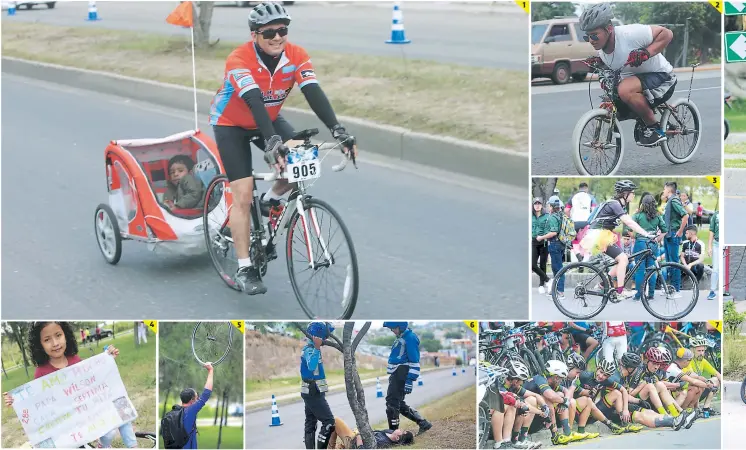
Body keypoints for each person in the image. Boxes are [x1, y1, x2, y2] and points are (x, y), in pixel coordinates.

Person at [208, 2, 358, 295]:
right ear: (255, 35)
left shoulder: (296, 55)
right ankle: (244, 267)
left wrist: (338, 129)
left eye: (283, 30)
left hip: (271, 119)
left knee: (302, 159)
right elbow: (253, 99)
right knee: (242, 193)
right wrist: (272, 140)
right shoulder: (239, 59)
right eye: (269, 33)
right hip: (231, 124)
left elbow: (313, 91)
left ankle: (269, 200)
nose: (278, 37)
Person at [3, 322, 136, 448]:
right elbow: (37, 402)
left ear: (66, 335)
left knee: (120, 408)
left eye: (58, 335)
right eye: (47, 339)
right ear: (40, 344)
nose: (55, 343)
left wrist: (107, 358)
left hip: (91, 412)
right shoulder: (41, 372)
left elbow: (94, 377)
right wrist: (17, 400)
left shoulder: (75, 360)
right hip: (71, 425)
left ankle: (129, 446)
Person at [578, 3, 676, 147]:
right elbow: (617, 65)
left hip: (662, 77)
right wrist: (599, 63)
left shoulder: (630, 34)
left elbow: (667, 34)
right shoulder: (602, 51)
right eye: (587, 37)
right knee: (612, 96)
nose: (591, 41)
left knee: (624, 89)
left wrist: (646, 53)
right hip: (638, 81)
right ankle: (643, 118)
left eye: (594, 36)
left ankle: (654, 129)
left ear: (609, 28)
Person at [581, 180, 658, 300]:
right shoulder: (614, 204)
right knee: (623, 259)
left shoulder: (620, 205)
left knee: (621, 260)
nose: (633, 194)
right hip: (599, 234)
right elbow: (628, 222)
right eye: (632, 192)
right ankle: (620, 292)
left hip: (602, 234)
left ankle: (602, 284)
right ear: (625, 193)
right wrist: (646, 234)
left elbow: (627, 223)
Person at [382, 323, 432, 435]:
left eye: (393, 328)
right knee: (397, 402)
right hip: (397, 372)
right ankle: (423, 423)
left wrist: (410, 380)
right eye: (391, 329)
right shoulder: (402, 337)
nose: (392, 331)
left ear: (401, 327)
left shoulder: (410, 338)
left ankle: (394, 433)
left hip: (402, 371)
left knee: (392, 403)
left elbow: (415, 360)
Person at [301, 322, 336, 449]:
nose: (326, 340)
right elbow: (311, 366)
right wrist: (316, 347)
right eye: (324, 337)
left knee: (310, 423)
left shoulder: (312, 348)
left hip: (312, 391)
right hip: (312, 391)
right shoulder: (309, 350)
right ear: (318, 336)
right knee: (329, 423)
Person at [167, 362, 214, 449]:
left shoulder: (174, 413)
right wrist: (210, 370)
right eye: (196, 397)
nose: (198, 399)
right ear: (192, 400)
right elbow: (206, 394)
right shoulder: (190, 411)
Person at [630, 193, 667, 301]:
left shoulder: (637, 215)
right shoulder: (658, 216)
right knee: (652, 269)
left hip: (640, 244)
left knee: (640, 270)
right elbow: (664, 230)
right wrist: (657, 239)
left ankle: (638, 295)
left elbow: (628, 229)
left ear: (643, 204)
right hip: (653, 244)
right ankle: (651, 295)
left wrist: (635, 236)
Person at [663, 348, 711, 422]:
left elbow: (696, 377)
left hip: (672, 392)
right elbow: (693, 381)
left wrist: (707, 381)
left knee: (698, 387)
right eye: (690, 360)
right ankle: (675, 413)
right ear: (685, 361)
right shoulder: (674, 369)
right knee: (689, 390)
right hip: (666, 395)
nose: (690, 363)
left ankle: (689, 410)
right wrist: (709, 386)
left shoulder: (680, 367)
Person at [662, 181, 690, 295]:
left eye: (664, 189)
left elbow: (685, 215)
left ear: (669, 190)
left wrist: (680, 231)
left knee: (674, 263)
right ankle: (670, 287)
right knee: (669, 263)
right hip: (668, 235)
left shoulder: (673, 200)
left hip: (673, 234)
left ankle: (676, 289)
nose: (663, 191)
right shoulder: (669, 201)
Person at [537, 199, 567, 300]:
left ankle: (560, 292)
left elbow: (554, 232)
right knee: (557, 267)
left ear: (552, 206)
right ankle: (556, 290)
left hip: (555, 244)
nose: (547, 206)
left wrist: (542, 237)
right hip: (560, 244)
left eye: (548, 205)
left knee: (558, 268)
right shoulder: (560, 215)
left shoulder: (553, 217)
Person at [327, 416, 414, 449]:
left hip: (353, 442)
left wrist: (359, 438)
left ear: (397, 437)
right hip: (357, 434)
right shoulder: (390, 432)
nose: (401, 429)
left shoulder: (383, 442)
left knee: (335, 421)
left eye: (402, 431)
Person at [687, 337, 722, 418]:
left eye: (703, 351)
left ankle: (706, 408)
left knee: (716, 380)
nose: (701, 353)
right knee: (699, 384)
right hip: (690, 390)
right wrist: (706, 382)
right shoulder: (688, 360)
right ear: (692, 350)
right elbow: (693, 379)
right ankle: (694, 408)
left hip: (700, 388)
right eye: (699, 351)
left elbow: (717, 373)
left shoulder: (703, 361)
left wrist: (723, 386)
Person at [531, 198, 551, 294]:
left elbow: (549, 228)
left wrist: (544, 236)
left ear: (542, 205)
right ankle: (548, 280)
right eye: (535, 204)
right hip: (533, 241)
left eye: (539, 203)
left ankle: (541, 284)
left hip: (543, 241)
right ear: (533, 205)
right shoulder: (531, 216)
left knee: (543, 264)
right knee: (532, 265)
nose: (537, 205)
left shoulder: (547, 216)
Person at [707, 210, 719, 301]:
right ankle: (712, 291)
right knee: (715, 269)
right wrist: (709, 246)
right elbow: (711, 230)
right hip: (717, 244)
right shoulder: (716, 215)